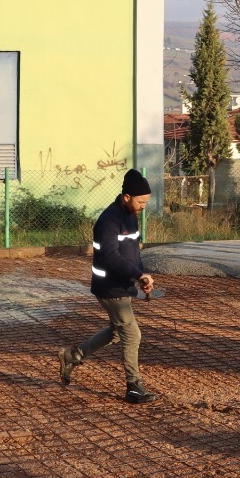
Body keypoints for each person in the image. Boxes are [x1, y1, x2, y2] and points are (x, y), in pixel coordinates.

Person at [58, 169, 158, 403]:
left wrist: (141, 276)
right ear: (126, 197)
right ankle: (133, 387)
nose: (144, 206)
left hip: (123, 285)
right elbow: (112, 257)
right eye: (141, 201)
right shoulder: (108, 221)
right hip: (109, 287)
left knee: (116, 332)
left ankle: (72, 356)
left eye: (146, 202)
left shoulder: (131, 216)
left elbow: (134, 251)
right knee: (132, 334)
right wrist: (138, 274)